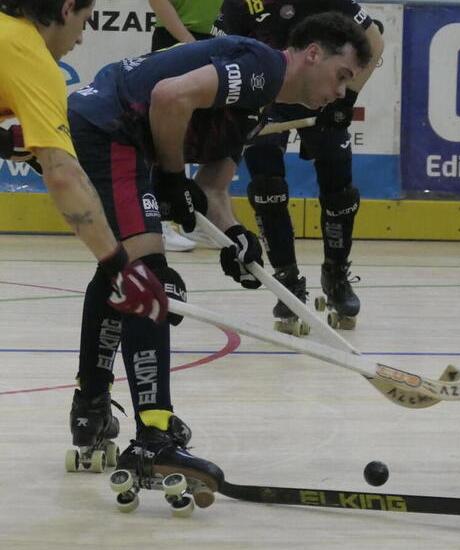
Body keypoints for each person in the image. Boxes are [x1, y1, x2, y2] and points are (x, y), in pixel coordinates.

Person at [65, 13, 372, 499]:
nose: (341, 93)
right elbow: (170, 97)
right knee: (151, 279)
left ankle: (92, 407)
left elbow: (211, 187)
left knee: (125, 272)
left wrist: (235, 237)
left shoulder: (264, 106)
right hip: (111, 128)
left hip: (117, 132)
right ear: (313, 53)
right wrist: (169, 174)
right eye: (342, 76)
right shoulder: (263, 66)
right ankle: (153, 434)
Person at [220, 0, 385, 333]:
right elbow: (221, 53)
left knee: (339, 188)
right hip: (268, 97)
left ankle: (336, 274)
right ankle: (287, 281)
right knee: (267, 189)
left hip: (318, 91)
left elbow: (374, 39)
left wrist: (346, 100)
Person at [0, 0, 167, 324]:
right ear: (66, 8)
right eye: (85, 21)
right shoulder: (27, 53)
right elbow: (63, 176)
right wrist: (120, 268)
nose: (79, 40)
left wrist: (6, 143)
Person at [147, 0, 225, 252]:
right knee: (166, 132)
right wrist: (188, 42)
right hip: (178, 39)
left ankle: (193, 218)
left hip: (211, 39)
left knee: (202, 132)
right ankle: (160, 220)